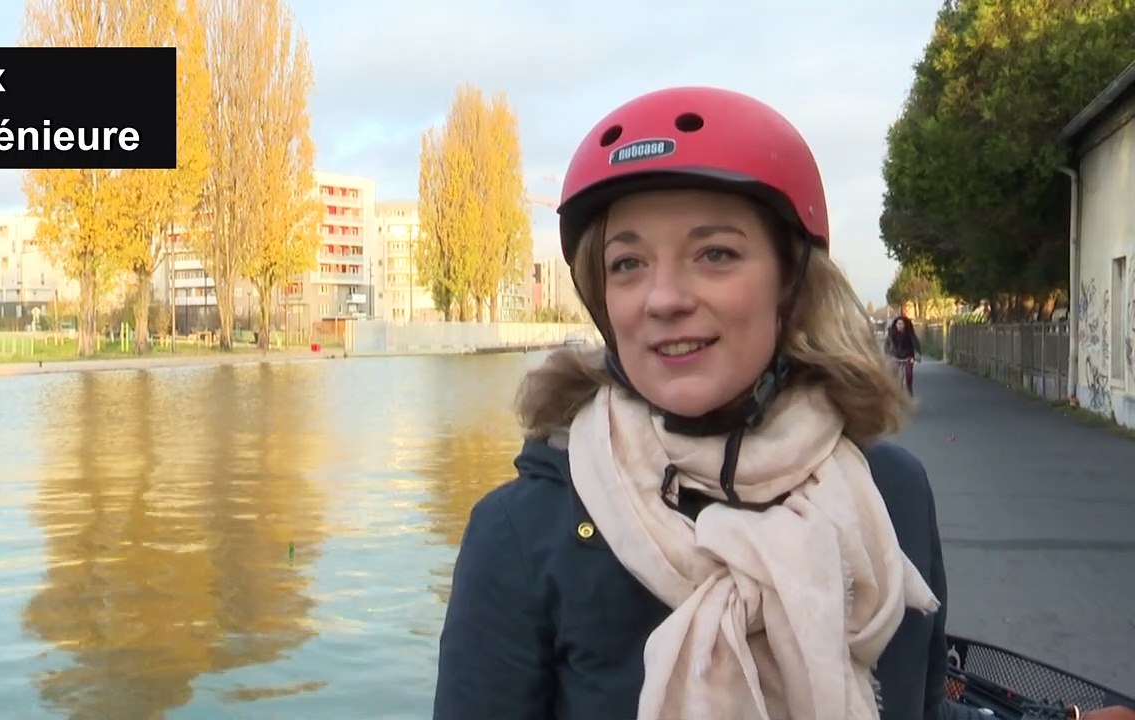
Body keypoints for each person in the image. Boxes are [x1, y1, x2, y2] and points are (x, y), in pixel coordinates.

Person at [431, 86, 1134, 720]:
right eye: (628, 263)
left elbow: (916, 708)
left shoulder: (891, 493)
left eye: (716, 254)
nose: (665, 298)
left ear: (791, 284)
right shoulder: (524, 534)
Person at [886, 314, 922, 396]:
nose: (900, 326)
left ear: (905, 325)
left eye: (902, 324)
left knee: (909, 374)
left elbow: (915, 344)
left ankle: (909, 391)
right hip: (896, 356)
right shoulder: (892, 334)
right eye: (898, 324)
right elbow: (887, 345)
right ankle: (895, 392)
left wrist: (916, 355)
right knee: (893, 374)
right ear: (895, 325)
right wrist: (888, 356)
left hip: (908, 356)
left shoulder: (910, 333)